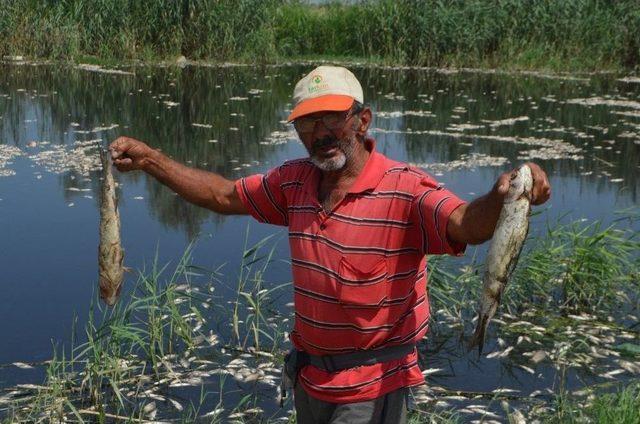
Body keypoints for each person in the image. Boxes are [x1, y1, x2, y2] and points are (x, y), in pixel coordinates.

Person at [109, 65, 551, 424]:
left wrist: (502, 198)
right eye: (307, 121)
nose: (320, 132)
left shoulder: (405, 190)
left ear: (362, 120)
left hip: (372, 386)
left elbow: (465, 225)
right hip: (309, 378)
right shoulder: (293, 182)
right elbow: (223, 195)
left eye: (332, 118)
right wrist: (151, 160)